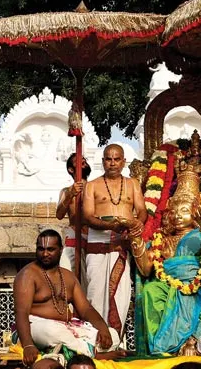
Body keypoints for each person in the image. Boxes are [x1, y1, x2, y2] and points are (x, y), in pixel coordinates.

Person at [131, 148, 201, 355]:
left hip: (200, 282)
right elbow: (145, 270)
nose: (178, 215)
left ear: (196, 212)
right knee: (150, 291)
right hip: (168, 285)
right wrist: (135, 239)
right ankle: (165, 349)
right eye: (174, 211)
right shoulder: (162, 238)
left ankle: (194, 341)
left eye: (184, 210)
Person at [13, 230, 125, 366]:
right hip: (36, 327)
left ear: (61, 250)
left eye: (50, 249)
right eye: (41, 249)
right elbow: (21, 313)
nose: (45, 254)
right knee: (53, 331)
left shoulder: (68, 276)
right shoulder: (27, 275)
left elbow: (85, 309)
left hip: (67, 328)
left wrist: (102, 328)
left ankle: (75, 350)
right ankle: (94, 354)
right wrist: (28, 346)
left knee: (112, 335)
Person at [82, 144, 147, 335]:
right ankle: (96, 340)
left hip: (122, 242)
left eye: (116, 159)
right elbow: (88, 217)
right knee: (95, 293)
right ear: (103, 161)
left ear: (123, 161)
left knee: (121, 294)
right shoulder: (92, 186)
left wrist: (137, 224)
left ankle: (114, 340)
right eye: (108, 159)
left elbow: (142, 211)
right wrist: (110, 226)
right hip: (98, 243)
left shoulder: (132, 184)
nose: (112, 163)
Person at [56, 154, 92, 279]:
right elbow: (59, 214)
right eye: (78, 160)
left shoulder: (96, 187)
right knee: (66, 279)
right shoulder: (66, 191)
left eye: (84, 159)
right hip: (73, 238)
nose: (83, 160)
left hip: (92, 238)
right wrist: (71, 194)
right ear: (71, 169)